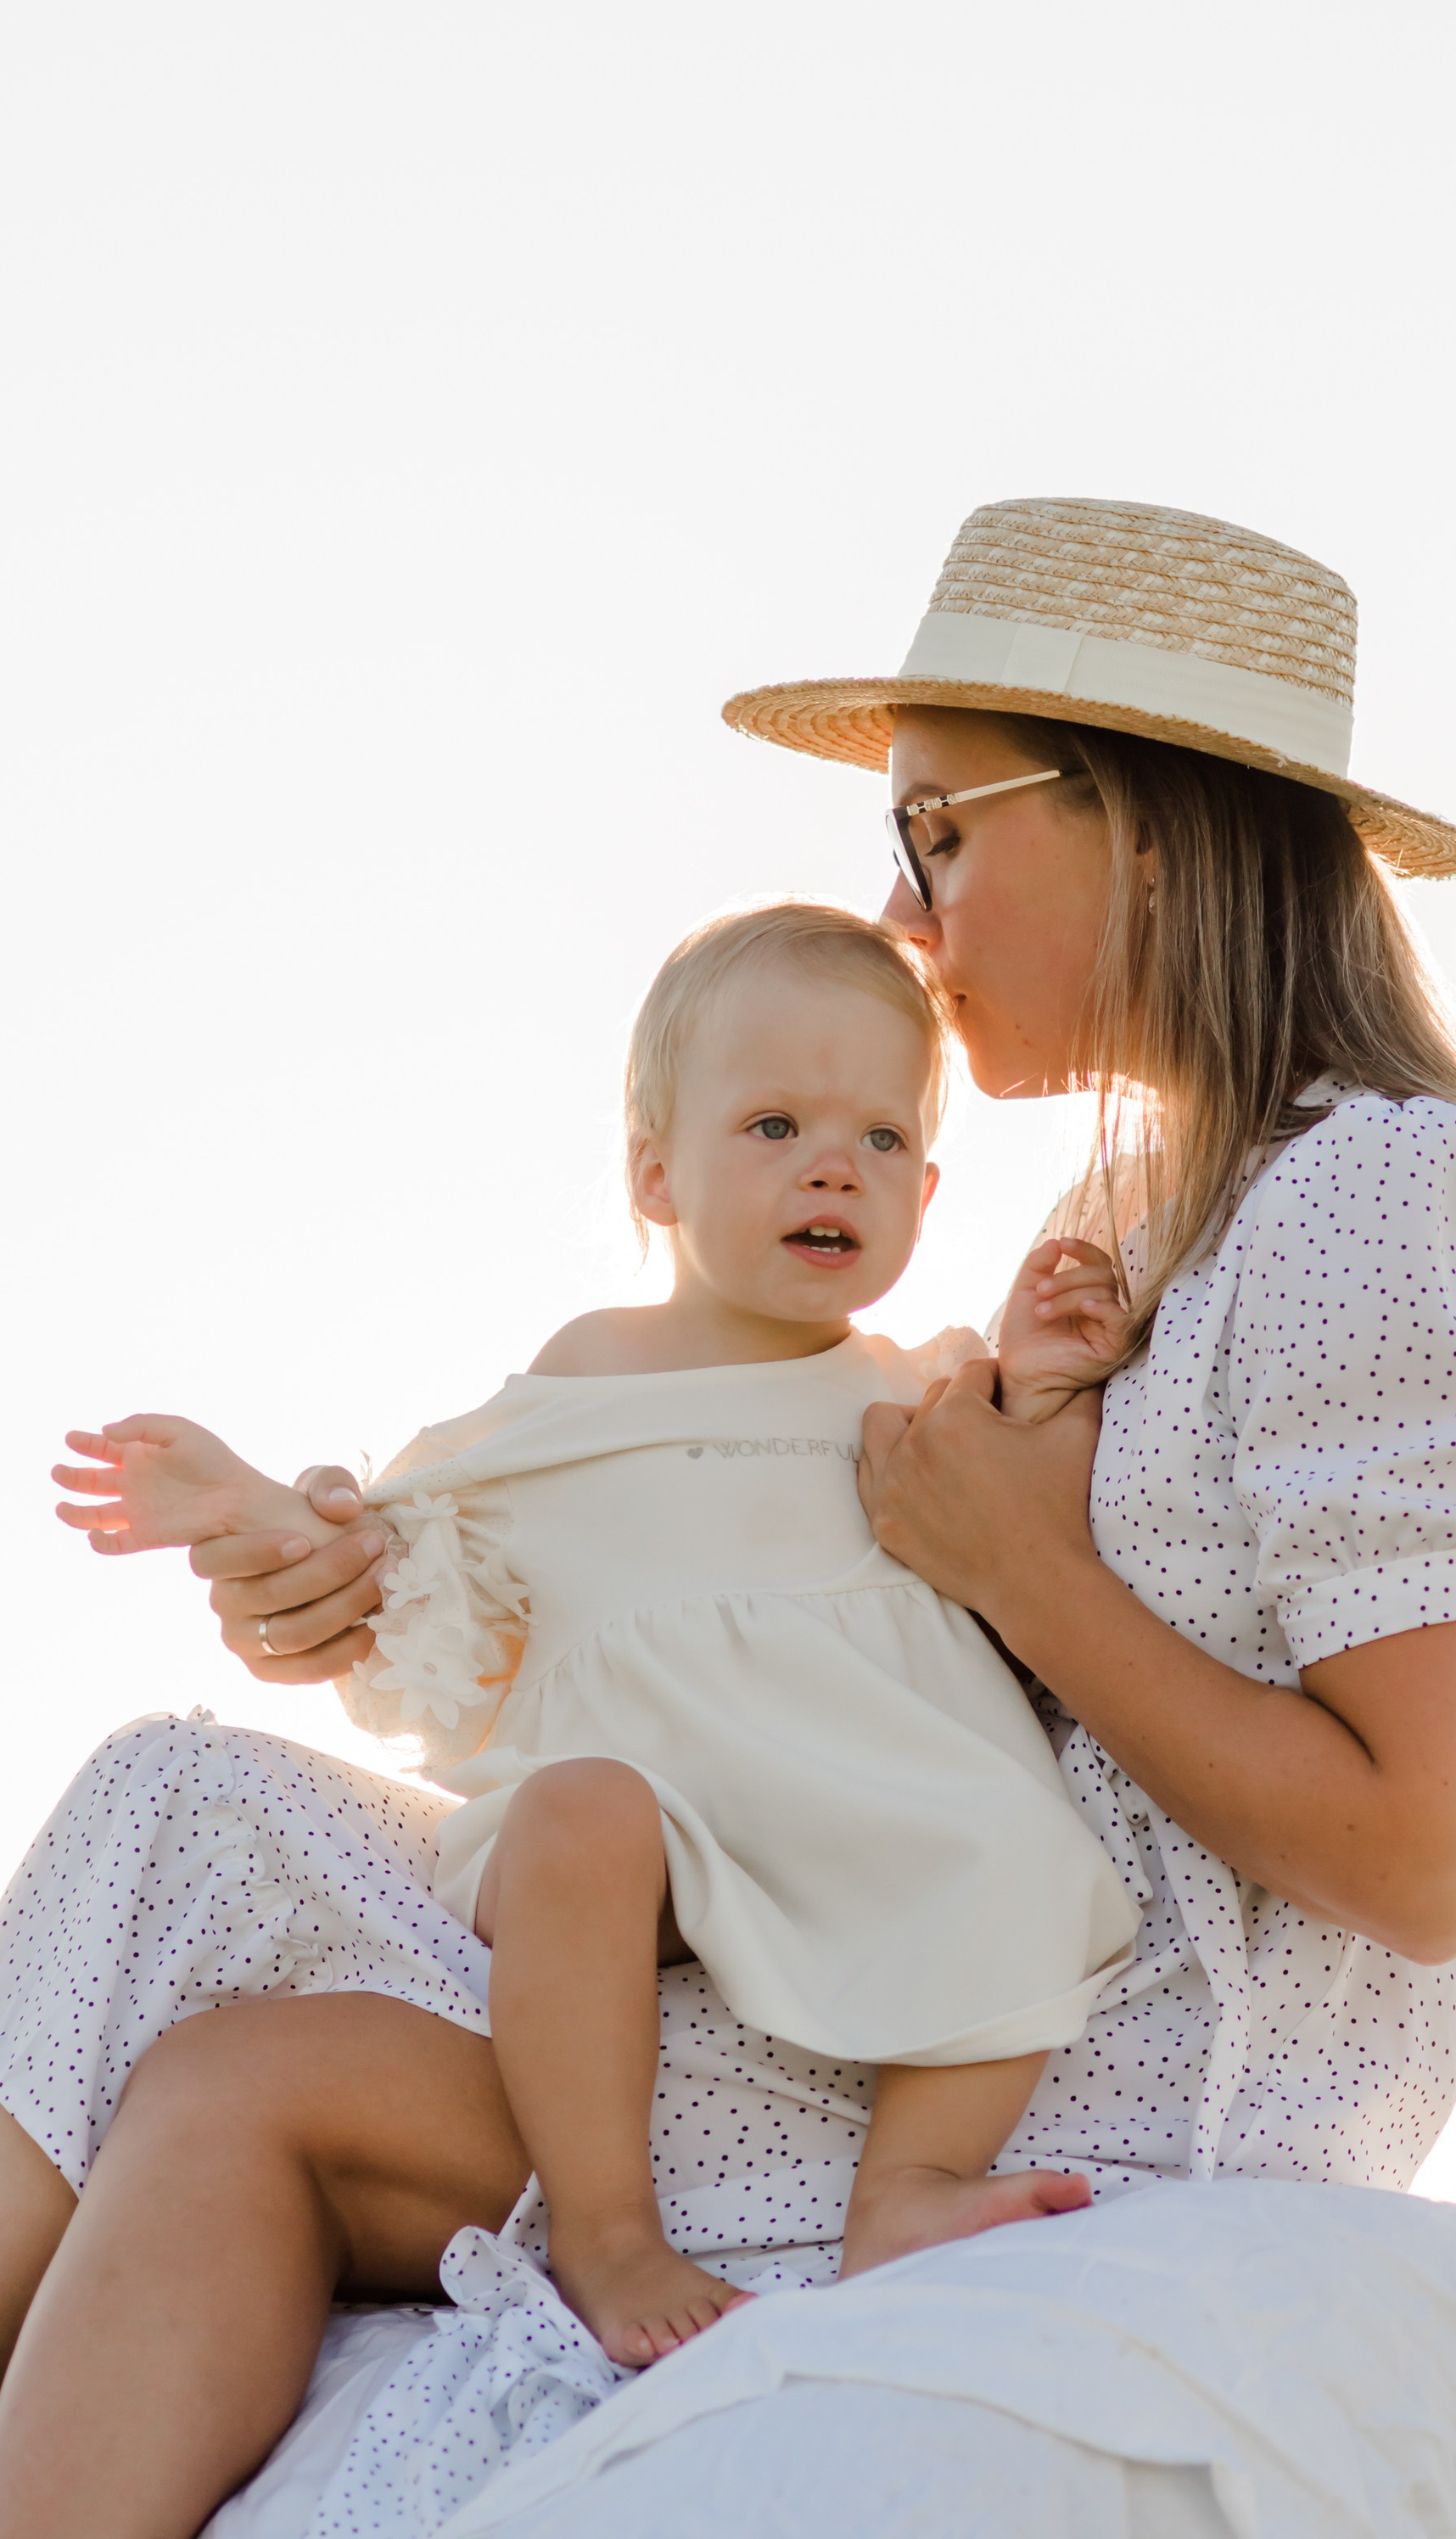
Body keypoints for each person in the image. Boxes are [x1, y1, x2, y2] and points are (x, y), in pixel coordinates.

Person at [0, 494, 1456, 2539]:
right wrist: (396, 1585)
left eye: (940, 829)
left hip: (1081, 2050)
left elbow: (1426, 1855)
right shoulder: (1131, 1216)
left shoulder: (1376, 1184)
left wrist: (1016, 1559)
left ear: (1154, 826)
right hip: (866, 1930)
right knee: (196, 1917)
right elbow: (857, 1624)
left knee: (214, 1965)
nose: (904, 911)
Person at [48, 901, 1140, 2371]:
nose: (834, 1164)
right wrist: (250, 1505)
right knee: (583, 1814)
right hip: (649, 1824)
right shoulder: (584, 1380)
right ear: (654, 1174)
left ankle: (908, 2188)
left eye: (881, 1141)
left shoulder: (905, 1390)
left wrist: (1046, 1368)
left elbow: (1017, 1476)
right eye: (772, 1125)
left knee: (1021, 1859)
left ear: (929, 1195)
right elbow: (404, 1557)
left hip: (856, 1797)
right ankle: (607, 2225)